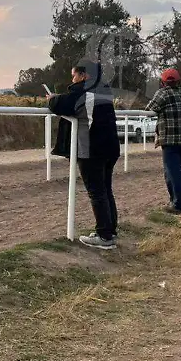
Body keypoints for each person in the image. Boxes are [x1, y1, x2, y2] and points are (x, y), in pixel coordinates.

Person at [49, 60, 121, 250]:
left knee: (97, 192)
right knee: (105, 190)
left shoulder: (85, 92)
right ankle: (110, 231)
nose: (72, 79)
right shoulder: (104, 90)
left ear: (84, 76)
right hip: (109, 147)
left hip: (92, 150)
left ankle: (105, 236)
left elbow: (60, 104)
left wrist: (51, 98)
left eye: (74, 75)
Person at [147, 68, 181, 214]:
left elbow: (150, 109)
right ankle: (175, 201)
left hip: (170, 139)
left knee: (173, 174)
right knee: (177, 172)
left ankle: (180, 205)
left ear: (163, 82)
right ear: (178, 81)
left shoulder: (163, 93)